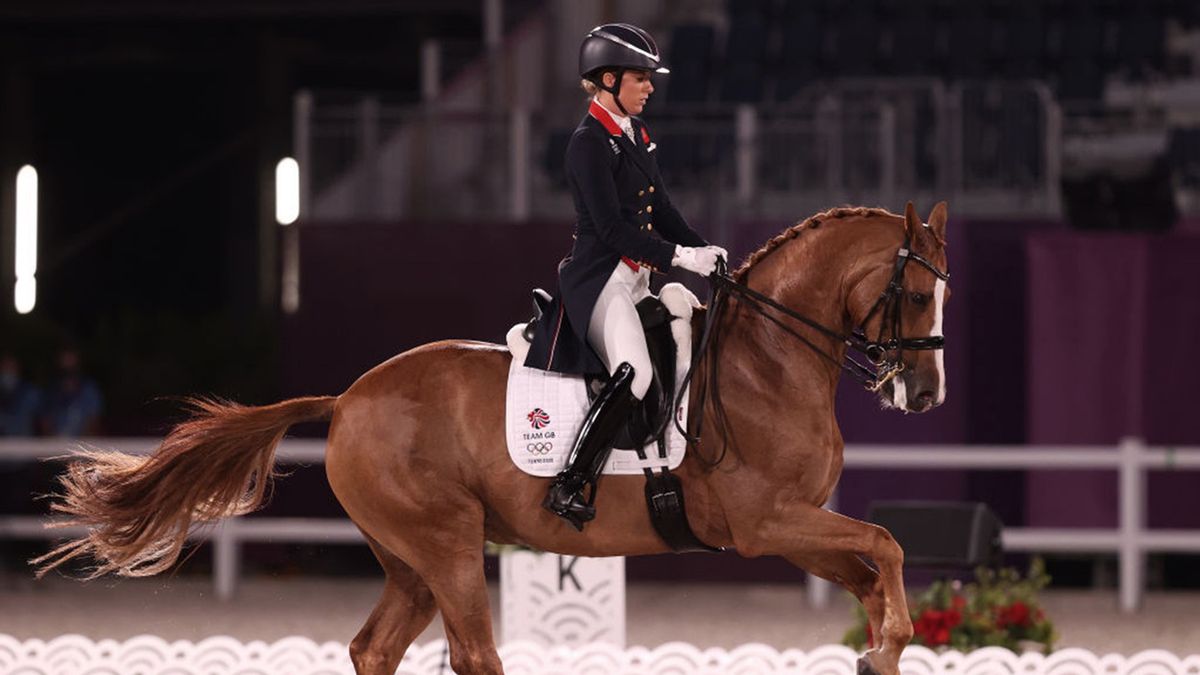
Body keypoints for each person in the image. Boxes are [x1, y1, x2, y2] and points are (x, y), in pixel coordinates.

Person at [525, 23, 727, 530]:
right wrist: (680, 257)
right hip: (598, 281)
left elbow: (663, 210)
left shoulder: (634, 135)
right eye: (642, 78)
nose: (651, 88)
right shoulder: (587, 143)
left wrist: (705, 251)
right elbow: (613, 230)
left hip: (634, 278)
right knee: (633, 371)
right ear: (609, 79)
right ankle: (571, 482)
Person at [41, 348, 103, 437]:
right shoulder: (51, 390)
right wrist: (52, 440)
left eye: (71, 361)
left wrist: (82, 442)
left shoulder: (89, 389)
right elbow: (45, 419)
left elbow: (94, 419)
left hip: (82, 443)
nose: (68, 366)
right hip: (55, 443)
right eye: (64, 361)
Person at [0, 353, 41, 436]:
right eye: (5, 367)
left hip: (26, 445)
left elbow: (43, 423)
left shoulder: (31, 393)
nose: (8, 371)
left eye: (11, 367)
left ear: (18, 369)